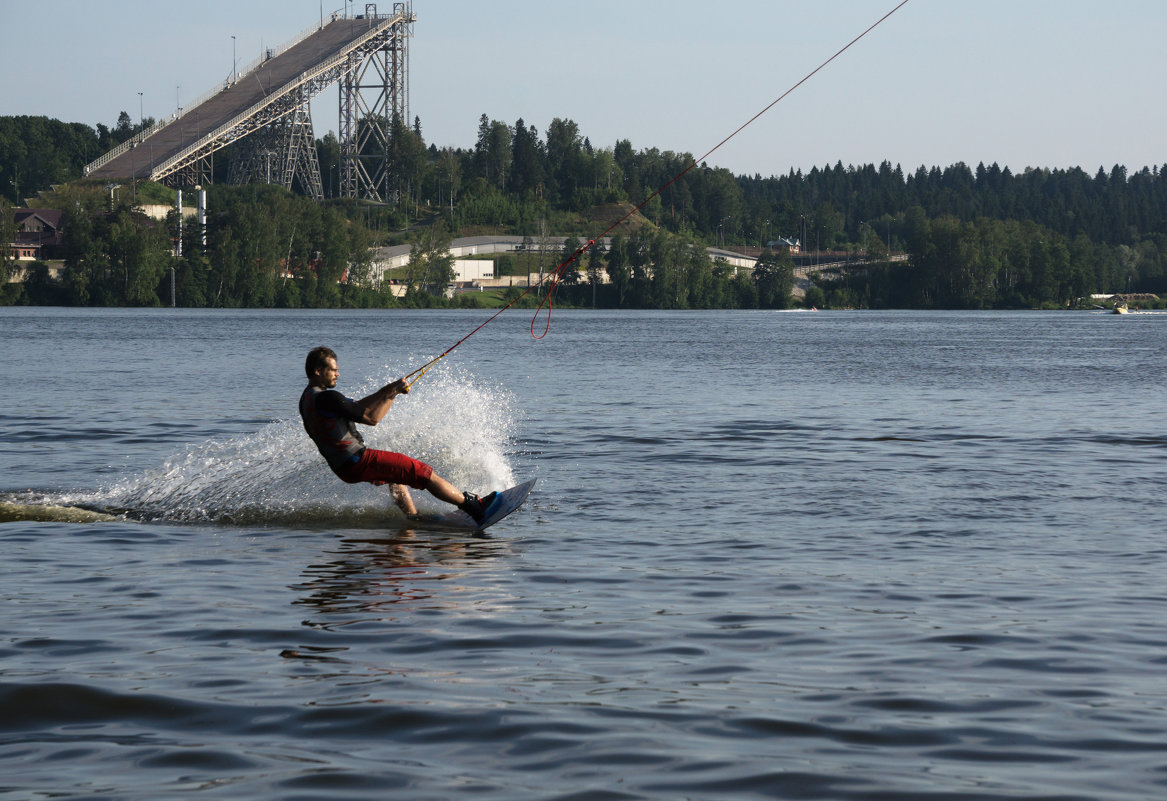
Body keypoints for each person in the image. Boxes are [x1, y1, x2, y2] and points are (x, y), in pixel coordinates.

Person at [299, 346, 497, 524]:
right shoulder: (329, 397)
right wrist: (393, 394)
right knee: (424, 472)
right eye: (333, 369)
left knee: (397, 477)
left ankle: (412, 518)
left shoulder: (308, 398)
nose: (338, 373)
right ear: (318, 371)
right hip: (359, 460)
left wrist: (386, 390)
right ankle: (474, 507)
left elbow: (357, 407)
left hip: (343, 468)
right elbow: (371, 418)